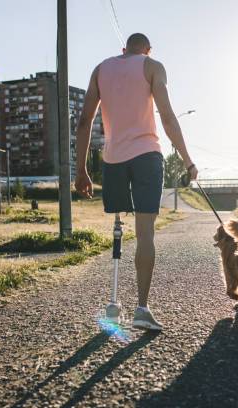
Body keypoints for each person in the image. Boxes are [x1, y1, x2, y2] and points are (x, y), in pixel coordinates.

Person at [75, 33, 198, 331]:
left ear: (123, 50)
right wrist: (187, 161)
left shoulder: (100, 69)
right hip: (146, 157)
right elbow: (167, 117)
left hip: (113, 160)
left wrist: (80, 170)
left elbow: (84, 121)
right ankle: (141, 308)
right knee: (145, 234)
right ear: (147, 50)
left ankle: (113, 303)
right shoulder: (153, 66)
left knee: (118, 228)